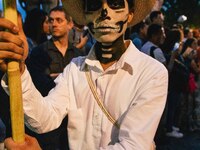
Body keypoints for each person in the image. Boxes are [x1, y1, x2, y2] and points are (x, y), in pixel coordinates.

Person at [0, 0, 168, 149]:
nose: (104, 12)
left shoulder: (151, 73)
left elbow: (133, 145)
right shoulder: (75, 68)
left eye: (115, 3)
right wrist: (18, 69)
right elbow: (45, 118)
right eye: (94, 4)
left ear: (130, 14)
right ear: (85, 16)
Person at [25, 6, 84, 150]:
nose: (54, 24)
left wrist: (58, 76)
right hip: (48, 127)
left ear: (70, 24)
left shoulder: (78, 54)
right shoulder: (40, 52)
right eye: (51, 20)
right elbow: (40, 83)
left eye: (59, 20)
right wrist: (67, 79)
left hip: (72, 125)